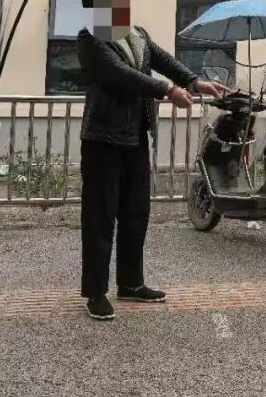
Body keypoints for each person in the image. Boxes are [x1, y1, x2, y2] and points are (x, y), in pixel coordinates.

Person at [76, 25, 227, 321]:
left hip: (135, 137)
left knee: (136, 213)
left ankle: (131, 283)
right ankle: (95, 292)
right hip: (102, 139)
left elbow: (163, 60)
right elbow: (120, 74)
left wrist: (194, 82)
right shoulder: (90, 37)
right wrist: (168, 90)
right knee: (99, 217)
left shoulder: (138, 34)